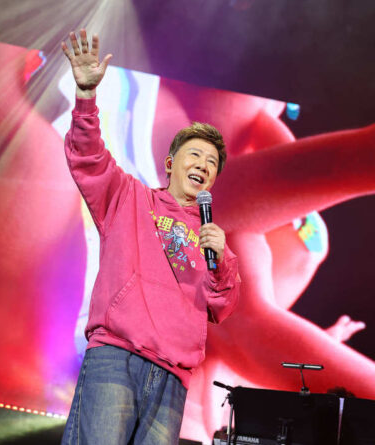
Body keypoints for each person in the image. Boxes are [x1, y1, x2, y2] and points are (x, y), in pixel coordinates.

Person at [59, 29, 241, 444]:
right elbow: (88, 157)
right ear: (171, 162)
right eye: (195, 154)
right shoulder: (129, 198)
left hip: (173, 376)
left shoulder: (212, 241)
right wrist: (86, 96)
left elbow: (222, 305)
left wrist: (221, 262)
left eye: (212, 163)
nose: (203, 165)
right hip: (116, 354)